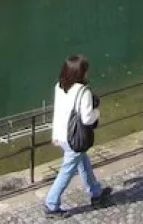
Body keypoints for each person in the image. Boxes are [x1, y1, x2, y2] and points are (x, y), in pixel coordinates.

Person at [45, 55, 112, 215]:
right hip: (74, 137)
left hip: (62, 135)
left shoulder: (59, 86)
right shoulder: (84, 92)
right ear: (80, 73)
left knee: (83, 162)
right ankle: (51, 204)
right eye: (85, 71)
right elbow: (87, 118)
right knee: (66, 171)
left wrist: (55, 135)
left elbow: (58, 111)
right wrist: (97, 112)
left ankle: (96, 193)